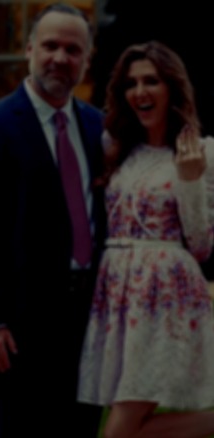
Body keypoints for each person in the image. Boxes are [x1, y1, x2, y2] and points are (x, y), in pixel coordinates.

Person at [77, 40, 214, 438]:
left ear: (171, 87)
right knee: (128, 424)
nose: (140, 92)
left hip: (167, 294)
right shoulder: (116, 149)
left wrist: (190, 179)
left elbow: (202, 245)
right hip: (116, 295)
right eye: (131, 83)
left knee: (120, 426)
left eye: (151, 81)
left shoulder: (203, 153)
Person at [0, 3, 106, 436]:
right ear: (30, 48)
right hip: (19, 323)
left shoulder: (100, 129)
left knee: (80, 424)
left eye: (73, 50)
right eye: (50, 45)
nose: (60, 57)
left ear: (86, 61)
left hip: (89, 315)